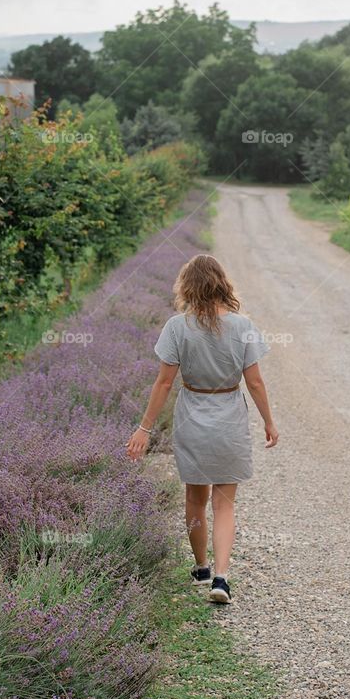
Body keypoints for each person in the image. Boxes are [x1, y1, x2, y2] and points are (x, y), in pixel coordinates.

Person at [126, 253, 278, 603]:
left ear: (187, 287)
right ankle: (221, 578)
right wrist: (269, 421)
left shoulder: (177, 327)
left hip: (192, 416)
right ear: (222, 283)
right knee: (225, 503)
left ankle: (201, 567)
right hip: (229, 419)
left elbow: (164, 384)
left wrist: (144, 429)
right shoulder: (242, 326)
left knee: (196, 499)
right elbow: (254, 383)